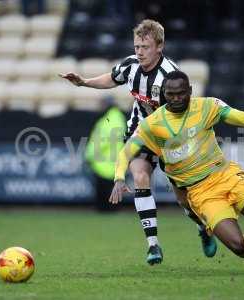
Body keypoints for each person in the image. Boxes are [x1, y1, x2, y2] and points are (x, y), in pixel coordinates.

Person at [109, 70, 244, 276]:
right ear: (164, 94)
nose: (175, 98)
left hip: (226, 176)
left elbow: (241, 117)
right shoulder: (152, 124)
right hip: (200, 193)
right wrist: (119, 177)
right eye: (170, 94)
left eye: (180, 94)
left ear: (190, 91)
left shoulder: (207, 106)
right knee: (238, 247)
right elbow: (126, 152)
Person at [60, 19, 216, 265]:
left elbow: (186, 114)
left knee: (183, 198)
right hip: (140, 132)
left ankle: (202, 227)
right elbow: (112, 78)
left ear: (159, 47)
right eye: (137, 46)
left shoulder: (170, 76)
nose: (139, 52)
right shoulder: (131, 65)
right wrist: (84, 82)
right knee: (141, 177)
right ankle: (153, 245)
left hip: (170, 140)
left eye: (145, 46)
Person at [85, 97, 126, 211]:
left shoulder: (111, 119)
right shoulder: (116, 117)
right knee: (110, 190)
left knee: (105, 191)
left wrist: (91, 153)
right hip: (111, 161)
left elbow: (103, 139)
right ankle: (111, 209)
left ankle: (106, 209)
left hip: (105, 161)